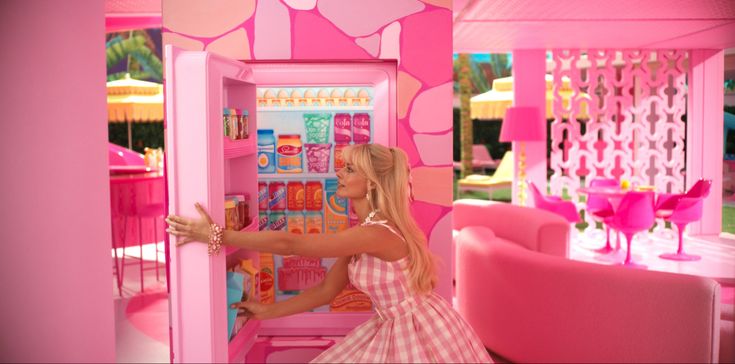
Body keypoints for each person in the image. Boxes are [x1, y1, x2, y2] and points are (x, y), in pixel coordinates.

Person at [166, 143, 492, 363]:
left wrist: (216, 235)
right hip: (396, 324)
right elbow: (327, 290)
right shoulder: (367, 229)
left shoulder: (375, 232)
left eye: (350, 169)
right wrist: (267, 311)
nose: (339, 173)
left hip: (418, 330)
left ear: (373, 183)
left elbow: (291, 245)